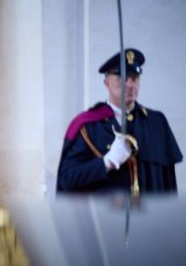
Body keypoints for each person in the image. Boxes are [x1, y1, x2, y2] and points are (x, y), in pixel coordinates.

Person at [57, 48, 182, 194]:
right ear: (107, 83)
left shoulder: (156, 122)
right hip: (108, 209)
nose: (130, 85)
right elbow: (66, 180)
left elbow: (169, 182)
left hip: (152, 209)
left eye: (134, 78)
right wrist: (107, 162)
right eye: (122, 78)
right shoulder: (88, 126)